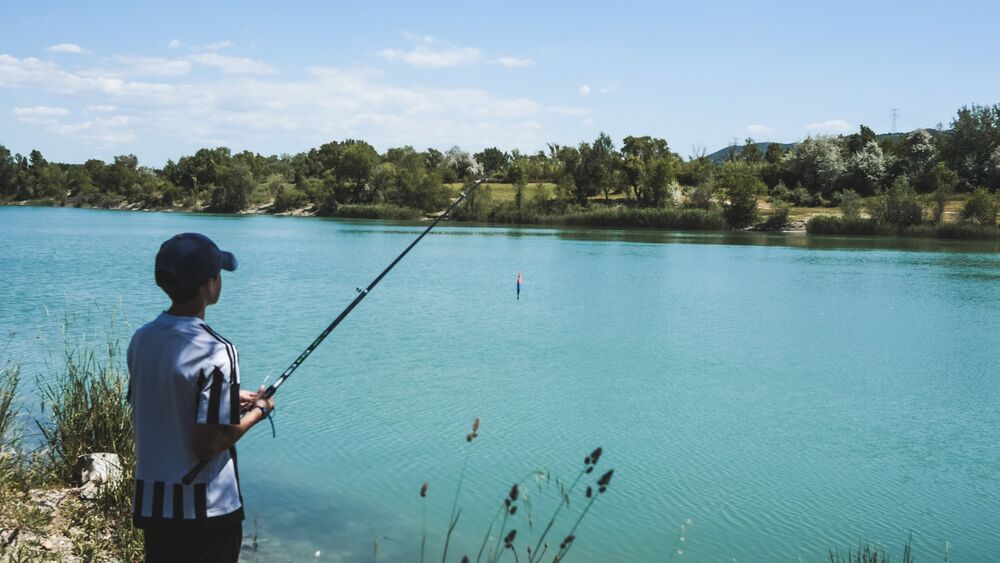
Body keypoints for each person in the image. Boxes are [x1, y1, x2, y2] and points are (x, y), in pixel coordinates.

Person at [127, 233, 275, 563]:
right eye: (218, 275)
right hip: (206, 512)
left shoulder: (142, 339)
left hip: (154, 506)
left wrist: (229, 396)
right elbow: (208, 444)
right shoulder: (218, 350)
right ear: (208, 284)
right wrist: (258, 412)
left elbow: (164, 396)